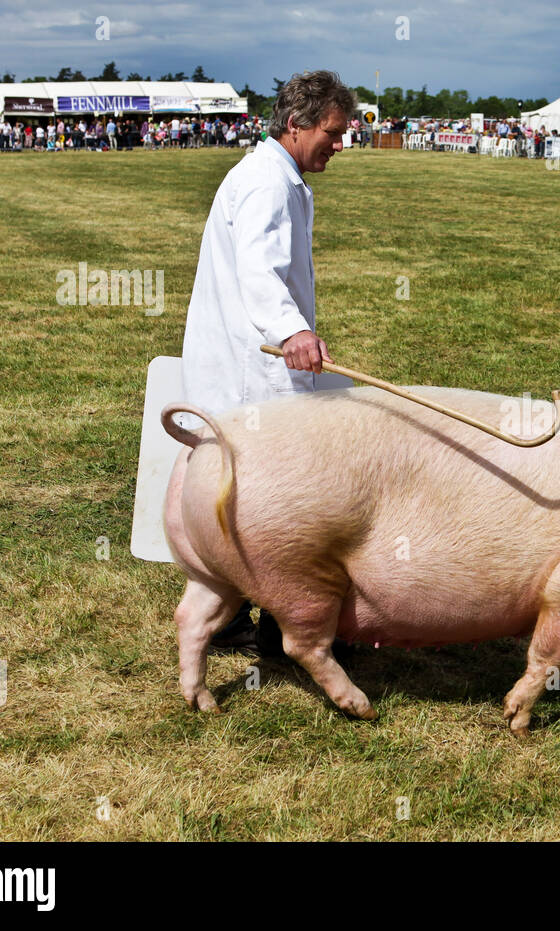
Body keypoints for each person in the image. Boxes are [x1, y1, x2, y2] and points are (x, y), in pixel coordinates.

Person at [181, 70, 355, 656]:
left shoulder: (276, 177)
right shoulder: (265, 183)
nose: (340, 143)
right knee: (278, 493)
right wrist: (294, 330)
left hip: (248, 354)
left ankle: (243, 616)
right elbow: (260, 270)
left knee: (245, 491)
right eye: (332, 132)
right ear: (296, 124)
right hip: (252, 363)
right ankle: (281, 626)